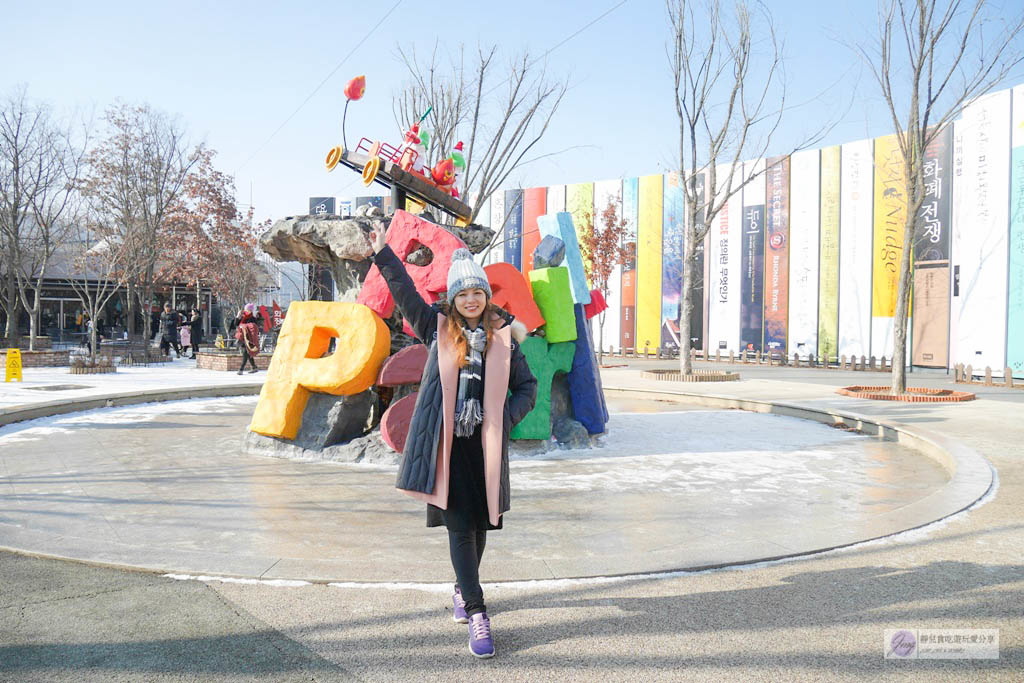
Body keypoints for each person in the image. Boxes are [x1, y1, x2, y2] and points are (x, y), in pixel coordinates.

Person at [370, 227, 537, 659]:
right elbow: (405, 293)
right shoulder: (438, 329)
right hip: (447, 450)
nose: (470, 301)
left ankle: (464, 589)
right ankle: (478, 613)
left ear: (485, 296)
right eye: (462, 294)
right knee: (461, 529)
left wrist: (503, 416)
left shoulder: (504, 339)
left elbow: (527, 389)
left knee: (480, 529)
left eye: (476, 293)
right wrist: (383, 254)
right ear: (454, 299)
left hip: (485, 450)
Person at [235, 304, 260, 374]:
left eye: (248, 310)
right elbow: (236, 324)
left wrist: (243, 326)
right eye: (246, 309)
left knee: (245, 353)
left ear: (251, 311)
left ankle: (241, 369)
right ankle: (254, 367)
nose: (246, 311)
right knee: (248, 353)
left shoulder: (253, 318)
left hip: (249, 339)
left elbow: (253, 328)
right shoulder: (243, 317)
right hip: (242, 338)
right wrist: (238, 316)